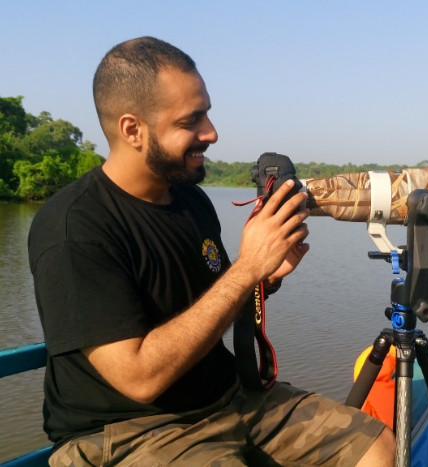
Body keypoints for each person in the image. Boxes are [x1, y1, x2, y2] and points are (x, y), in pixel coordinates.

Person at [28, 36, 394, 466]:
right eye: (191, 120)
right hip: (130, 432)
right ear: (133, 130)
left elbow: (208, 303)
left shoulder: (190, 200)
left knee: (376, 447)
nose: (212, 133)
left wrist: (265, 277)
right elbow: (140, 377)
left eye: (208, 114)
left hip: (229, 400)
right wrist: (248, 268)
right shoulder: (75, 228)